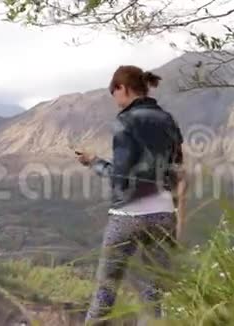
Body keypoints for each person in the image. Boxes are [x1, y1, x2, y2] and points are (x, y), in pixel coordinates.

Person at [75, 65, 187, 325]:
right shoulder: (168, 119)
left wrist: (93, 161)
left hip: (128, 215)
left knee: (105, 293)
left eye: (113, 92)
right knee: (153, 296)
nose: (115, 100)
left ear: (122, 88)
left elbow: (121, 177)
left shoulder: (125, 121)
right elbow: (177, 164)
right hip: (162, 214)